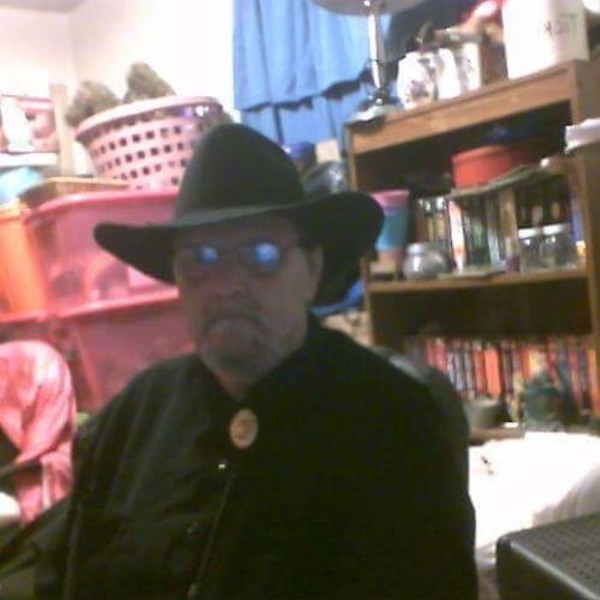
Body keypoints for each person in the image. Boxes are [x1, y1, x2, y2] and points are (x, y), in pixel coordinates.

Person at [36, 123, 477, 600]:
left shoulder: (395, 419)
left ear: (312, 269)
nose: (227, 285)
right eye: (200, 259)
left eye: (261, 255)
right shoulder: (130, 418)